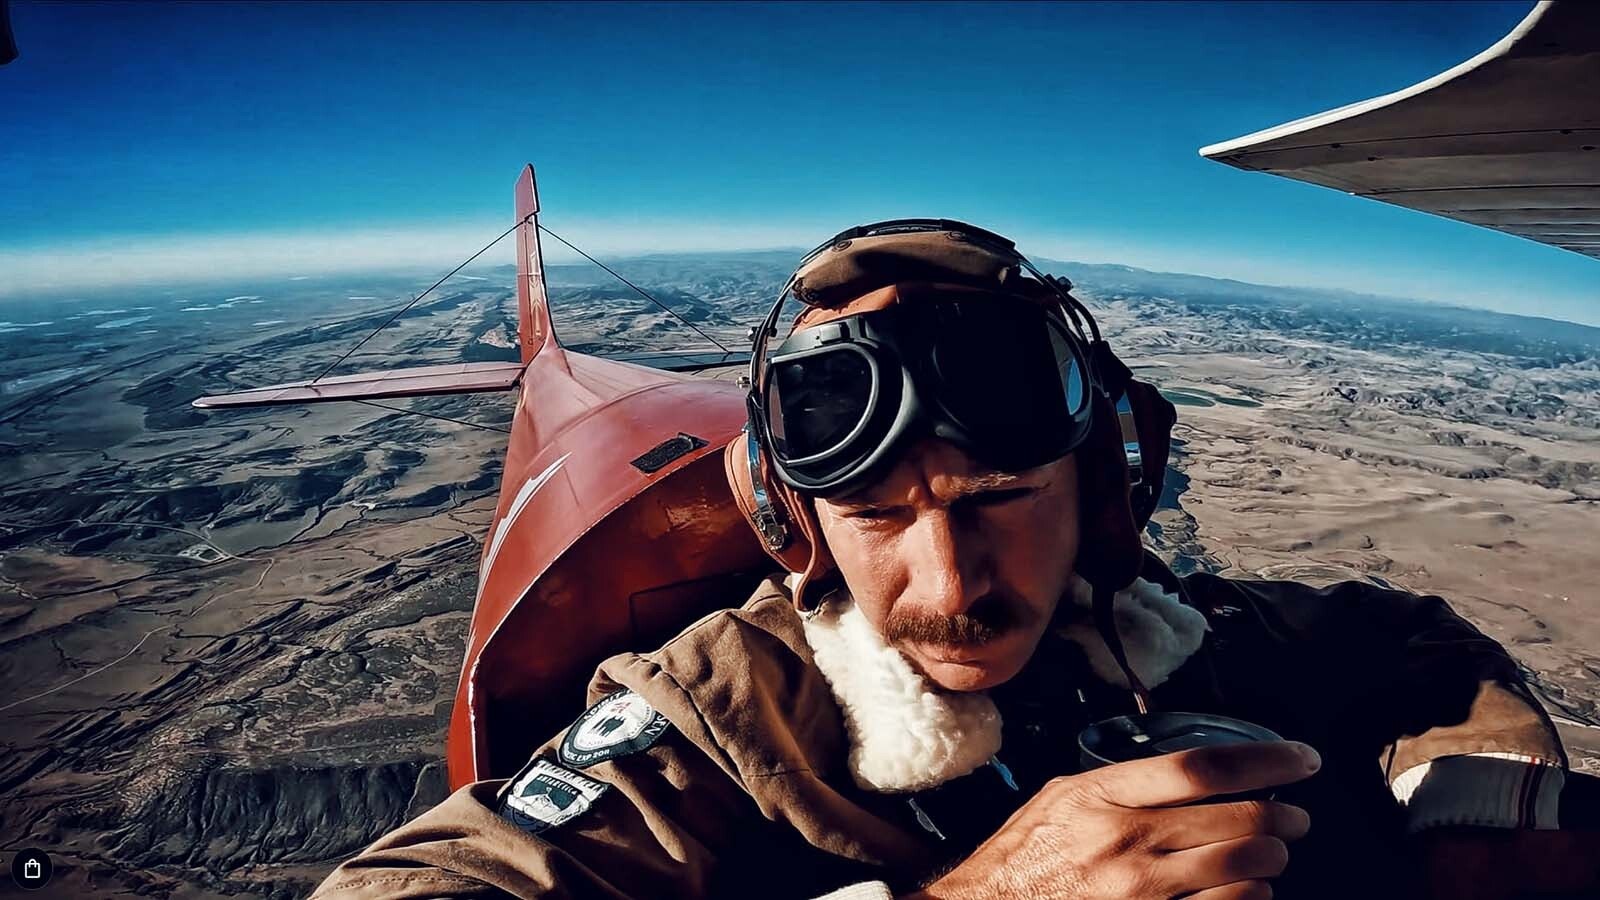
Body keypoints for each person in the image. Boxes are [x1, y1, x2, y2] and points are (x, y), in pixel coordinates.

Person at [314, 221, 1591, 900]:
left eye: (998, 498)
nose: (951, 589)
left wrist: (1480, 822)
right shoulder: (716, 715)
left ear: (1103, 493)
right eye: (874, 516)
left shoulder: (1170, 631)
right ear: (792, 526)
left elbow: (1421, 646)